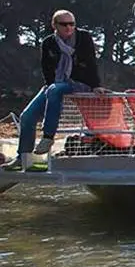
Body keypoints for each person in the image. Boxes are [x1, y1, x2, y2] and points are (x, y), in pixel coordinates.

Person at [3, 10, 107, 172]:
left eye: (72, 24)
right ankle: (23, 158)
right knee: (27, 116)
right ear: (55, 25)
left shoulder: (83, 37)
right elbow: (47, 70)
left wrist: (96, 85)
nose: (68, 28)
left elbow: (91, 62)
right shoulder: (48, 43)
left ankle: (48, 136)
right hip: (55, 84)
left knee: (55, 89)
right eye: (64, 24)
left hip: (79, 83)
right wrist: (51, 86)